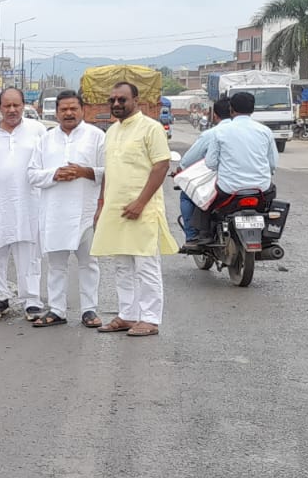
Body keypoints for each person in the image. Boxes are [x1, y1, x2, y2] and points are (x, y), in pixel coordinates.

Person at [91, 81, 177, 337]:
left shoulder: (151, 128)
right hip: (116, 209)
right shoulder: (111, 131)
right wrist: (101, 204)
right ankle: (127, 314)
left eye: (122, 99)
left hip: (143, 208)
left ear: (136, 101)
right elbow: (109, 170)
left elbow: (161, 166)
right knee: (121, 265)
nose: (116, 104)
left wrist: (140, 203)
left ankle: (150, 319)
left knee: (145, 264)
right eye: (112, 100)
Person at [28, 90, 105, 328]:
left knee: (88, 262)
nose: (69, 113)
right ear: (57, 112)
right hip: (55, 213)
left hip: (85, 211)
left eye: (73, 108)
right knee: (56, 265)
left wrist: (84, 172)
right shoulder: (46, 139)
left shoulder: (97, 136)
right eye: (64, 109)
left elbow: (109, 171)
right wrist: (55, 174)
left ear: (83, 110)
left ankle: (89, 310)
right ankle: (57, 310)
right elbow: (32, 175)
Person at [0, 87, 46, 320]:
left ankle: (31, 300)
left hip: (29, 203)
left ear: (24, 105)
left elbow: (44, 164)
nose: (12, 110)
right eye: (7, 105)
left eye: (16, 105)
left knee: (29, 252)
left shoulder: (37, 130)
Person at [179, 91, 278, 249]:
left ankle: (204, 235)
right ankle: (267, 232)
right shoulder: (265, 131)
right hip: (261, 189)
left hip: (229, 190)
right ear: (253, 109)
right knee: (271, 196)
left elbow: (211, 163)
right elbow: (272, 164)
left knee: (203, 198)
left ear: (231, 109)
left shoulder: (220, 131)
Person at [178, 97, 233, 245]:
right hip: (258, 187)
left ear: (215, 115)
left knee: (187, 195)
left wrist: (180, 169)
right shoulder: (259, 131)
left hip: (224, 184)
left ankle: (192, 236)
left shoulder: (213, 133)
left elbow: (201, 162)